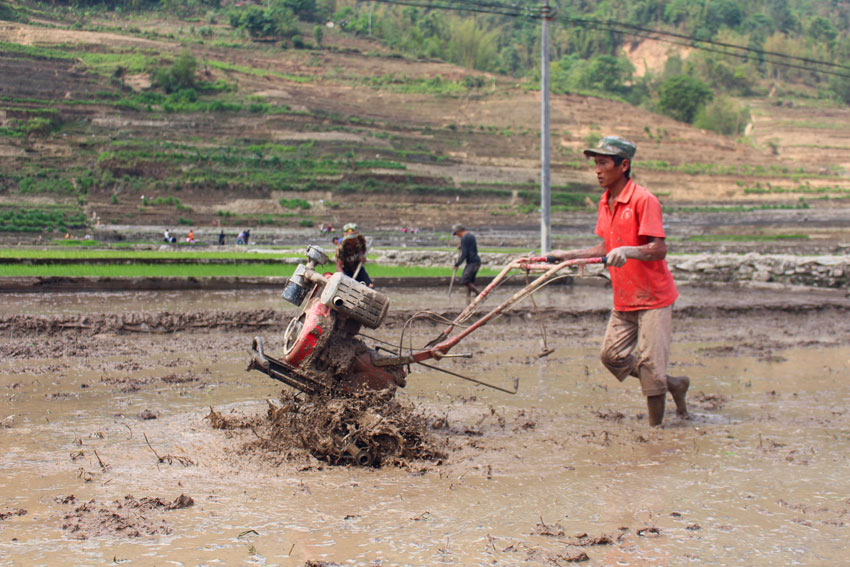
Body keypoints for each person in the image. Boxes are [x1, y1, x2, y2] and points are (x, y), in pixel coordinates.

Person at [543, 135, 688, 427]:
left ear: (623, 165)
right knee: (611, 357)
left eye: (603, 163)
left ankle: (655, 435)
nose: (597, 170)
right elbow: (605, 248)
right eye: (595, 163)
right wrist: (568, 255)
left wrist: (629, 251)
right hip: (625, 297)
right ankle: (674, 384)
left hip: (654, 298)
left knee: (650, 368)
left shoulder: (643, 200)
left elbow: (659, 247)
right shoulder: (605, 201)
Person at [336, 222, 373, 287]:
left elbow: (362, 251)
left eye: (354, 238)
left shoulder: (361, 240)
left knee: (370, 286)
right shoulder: (341, 248)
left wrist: (361, 256)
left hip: (358, 267)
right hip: (347, 270)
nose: (352, 241)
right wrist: (343, 278)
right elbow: (339, 266)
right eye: (350, 239)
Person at [451, 224, 481, 298]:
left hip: (472, 263)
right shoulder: (470, 236)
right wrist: (462, 246)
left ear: (458, 231)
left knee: (464, 280)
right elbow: (469, 247)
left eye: (457, 234)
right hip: (475, 261)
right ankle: (468, 298)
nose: (457, 236)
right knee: (469, 281)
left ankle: (479, 294)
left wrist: (457, 264)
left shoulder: (464, 238)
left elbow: (465, 254)